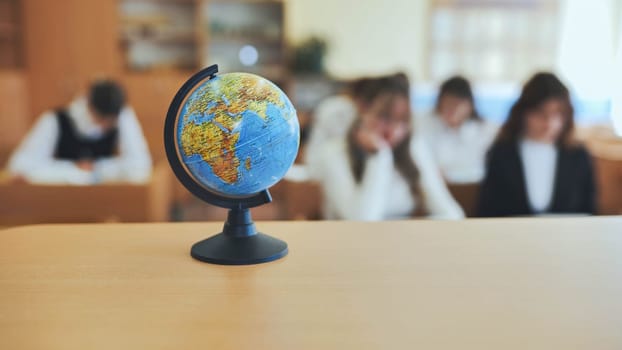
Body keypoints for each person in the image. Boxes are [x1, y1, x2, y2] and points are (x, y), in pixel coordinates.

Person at [314, 74, 464, 220]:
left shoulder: (413, 148)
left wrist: (415, 232)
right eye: (384, 117)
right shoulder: (334, 153)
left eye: (402, 120)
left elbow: (452, 214)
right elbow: (362, 220)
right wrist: (379, 155)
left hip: (401, 242)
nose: (394, 130)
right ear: (362, 109)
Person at [477, 72, 596, 217]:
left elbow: (589, 211)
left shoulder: (578, 155)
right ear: (523, 113)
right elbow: (486, 211)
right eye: (541, 113)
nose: (549, 124)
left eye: (557, 114)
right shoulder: (501, 154)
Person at [8, 80, 152, 184]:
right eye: (100, 119)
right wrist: (74, 169)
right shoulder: (55, 120)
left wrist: (97, 168)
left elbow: (140, 168)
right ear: (89, 105)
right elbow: (19, 169)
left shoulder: (122, 115)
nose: (104, 126)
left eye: (109, 122)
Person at [419, 76, 497, 183]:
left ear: (469, 106)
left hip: (474, 189)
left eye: (457, 104)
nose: (452, 110)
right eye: (447, 103)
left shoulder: (487, 130)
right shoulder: (424, 125)